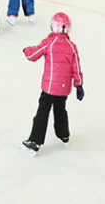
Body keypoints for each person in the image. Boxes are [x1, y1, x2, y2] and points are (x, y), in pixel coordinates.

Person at [21, 11, 84, 156]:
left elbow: (33, 55)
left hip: (49, 88)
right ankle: (64, 135)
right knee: (60, 110)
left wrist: (26, 50)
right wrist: (79, 85)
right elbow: (77, 67)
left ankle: (35, 142)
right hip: (63, 89)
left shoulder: (49, 43)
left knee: (42, 113)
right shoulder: (72, 46)